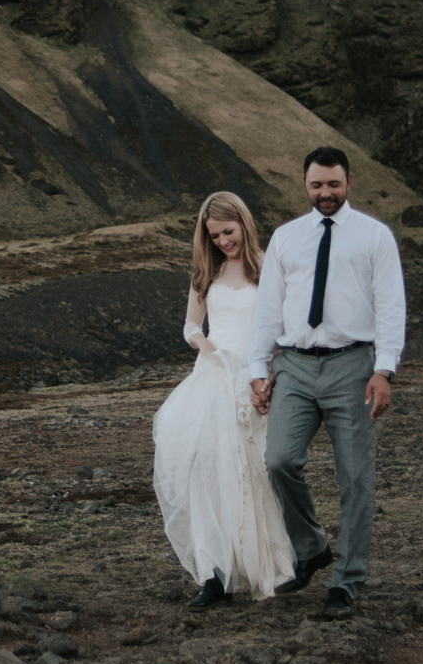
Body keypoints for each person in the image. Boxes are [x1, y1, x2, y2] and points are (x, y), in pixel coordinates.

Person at [248, 146, 406, 620]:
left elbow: (391, 305)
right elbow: (269, 308)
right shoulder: (286, 237)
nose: (325, 193)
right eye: (317, 185)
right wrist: (259, 368)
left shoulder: (375, 237)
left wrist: (385, 369)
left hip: (353, 366)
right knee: (279, 461)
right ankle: (311, 545)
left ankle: (348, 580)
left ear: (349, 182)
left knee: (356, 479)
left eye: (333, 184)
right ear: (306, 185)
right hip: (294, 366)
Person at [151, 191, 297, 608]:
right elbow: (190, 325)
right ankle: (212, 573)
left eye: (228, 232)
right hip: (213, 375)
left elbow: (282, 329)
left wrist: (267, 372)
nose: (222, 242)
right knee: (203, 471)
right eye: (214, 236)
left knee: (250, 470)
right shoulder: (206, 271)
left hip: (253, 380)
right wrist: (208, 348)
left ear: (244, 224)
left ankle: (258, 564)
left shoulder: (268, 268)